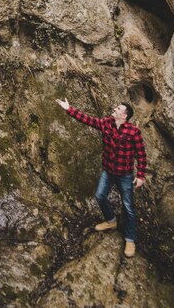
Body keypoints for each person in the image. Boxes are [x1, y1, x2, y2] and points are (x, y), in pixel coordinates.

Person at [56, 98, 147, 258]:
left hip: (125, 174)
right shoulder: (106, 123)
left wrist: (140, 175)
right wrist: (69, 109)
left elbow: (141, 155)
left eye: (118, 108)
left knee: (128, 207)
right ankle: (111, 221)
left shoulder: (133, 132)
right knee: (99, 195)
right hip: (108, 170)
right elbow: (88, 120)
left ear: (124, 115)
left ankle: (130, 239)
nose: (115, 109)